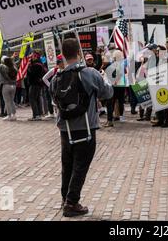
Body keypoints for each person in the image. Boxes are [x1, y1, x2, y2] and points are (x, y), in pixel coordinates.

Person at [50, 38, 113, 217]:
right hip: (86, 127)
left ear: (62, 53)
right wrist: (104, 79)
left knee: (67, 165)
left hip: (65, 128)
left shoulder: (56, 77)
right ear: (78, 52)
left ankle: (65, 198)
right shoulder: (90, 73)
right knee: (80, 166)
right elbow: (107, 93)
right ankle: (71, 202)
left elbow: (54, 100)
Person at [0, 56, 18, 121]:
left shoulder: (3, 67)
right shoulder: (14, 67)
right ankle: (14, 115)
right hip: (14, 86)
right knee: (12, 101)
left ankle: (9, 115)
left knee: (7, 101)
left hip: (6, 85)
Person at [27, 52, 46, 121]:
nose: (31, 57)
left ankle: (36, 115)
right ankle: (39, 113)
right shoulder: (40, 64)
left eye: (32, 56)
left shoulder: (36, 65)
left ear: (35, 57)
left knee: (32, 99)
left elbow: (32, 74)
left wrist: (29, 67)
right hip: (38, 84)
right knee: (37, 99)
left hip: (35, 84)